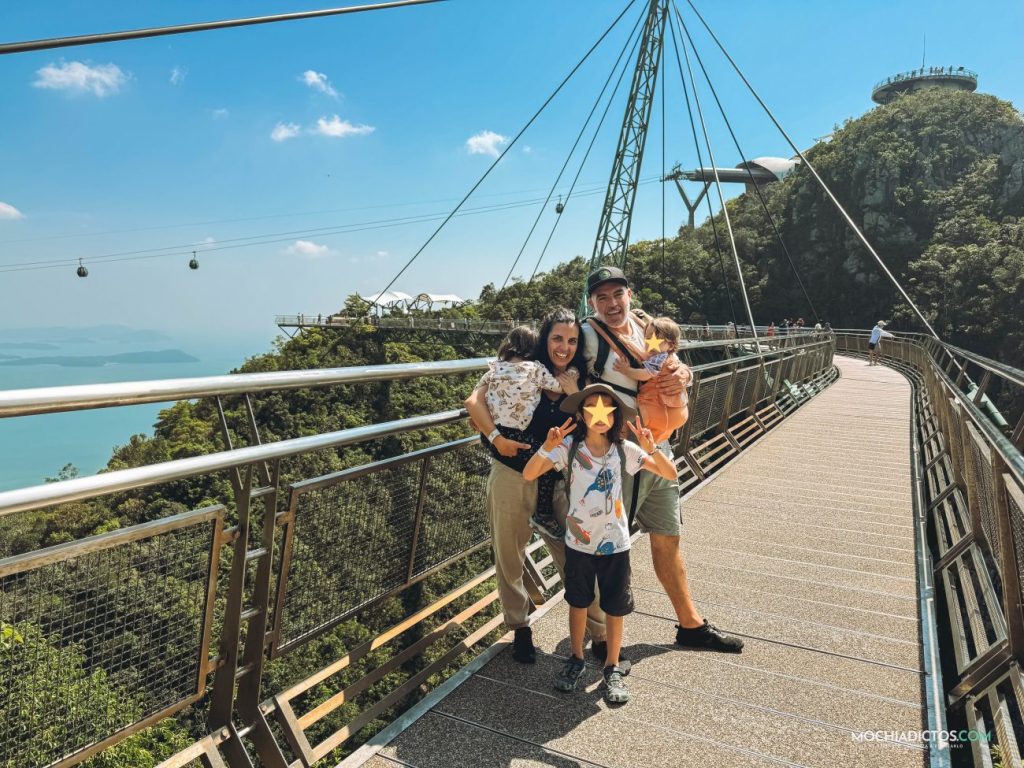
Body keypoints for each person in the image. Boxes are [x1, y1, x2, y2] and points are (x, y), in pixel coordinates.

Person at [582, 266, 744, 652]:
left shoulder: (646, 325)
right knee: (608, 544)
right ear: (591, 302)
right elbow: (556, 366)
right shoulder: (587, 335)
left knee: (668, 538)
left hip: (659, 449)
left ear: (630, 295)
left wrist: (685, 374)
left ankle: (691, 626)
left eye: (617, 294)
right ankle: (602, 637)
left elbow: (671, 360)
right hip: (620, 455)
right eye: (602, 297)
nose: (611, 304)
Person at [465, 308, 609, 664]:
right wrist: (496, 438)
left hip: (559, 481)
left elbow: (598, 426)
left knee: (576, 557)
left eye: (572, 340)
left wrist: (576, 392)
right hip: (511, 473)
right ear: (544, 339)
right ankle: (520, 628)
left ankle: (600, 632)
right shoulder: (521, 366)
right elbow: (475, 402)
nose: (564, 347)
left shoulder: (583, 377)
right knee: (509, 556)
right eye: (557, 338)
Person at [524, 384, 677, 704]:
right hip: (579, 543)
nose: (599, 414)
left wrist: (652, 449)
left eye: (606, 408)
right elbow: (529, 474)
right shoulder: (568, 448)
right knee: (578, 602)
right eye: (592, 407)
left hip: (615, 544)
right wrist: (546, 447)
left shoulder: (625, 450)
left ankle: (612, 666)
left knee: (614, 606)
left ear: (615, 415)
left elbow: (670, 473)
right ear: (581, 415)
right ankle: (576, 658)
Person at [476, 325, 577, 538]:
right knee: (546, 462)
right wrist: (572, 375)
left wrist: (490, 432)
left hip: (492, 433)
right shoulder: (535, 368)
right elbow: (559, 386)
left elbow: (475, 399)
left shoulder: (495, 367)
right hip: (517, 434)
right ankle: (543, 514)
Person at [605, 316, 687, 443]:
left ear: (670, 345)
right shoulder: (667, 355)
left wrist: (626, 370)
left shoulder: (660, 358)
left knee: (641, 439)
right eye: (647, 338)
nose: (649, 343)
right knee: (655, 440)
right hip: (675, 410)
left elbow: (646, 374)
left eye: (655, 339)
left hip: (658, 413)